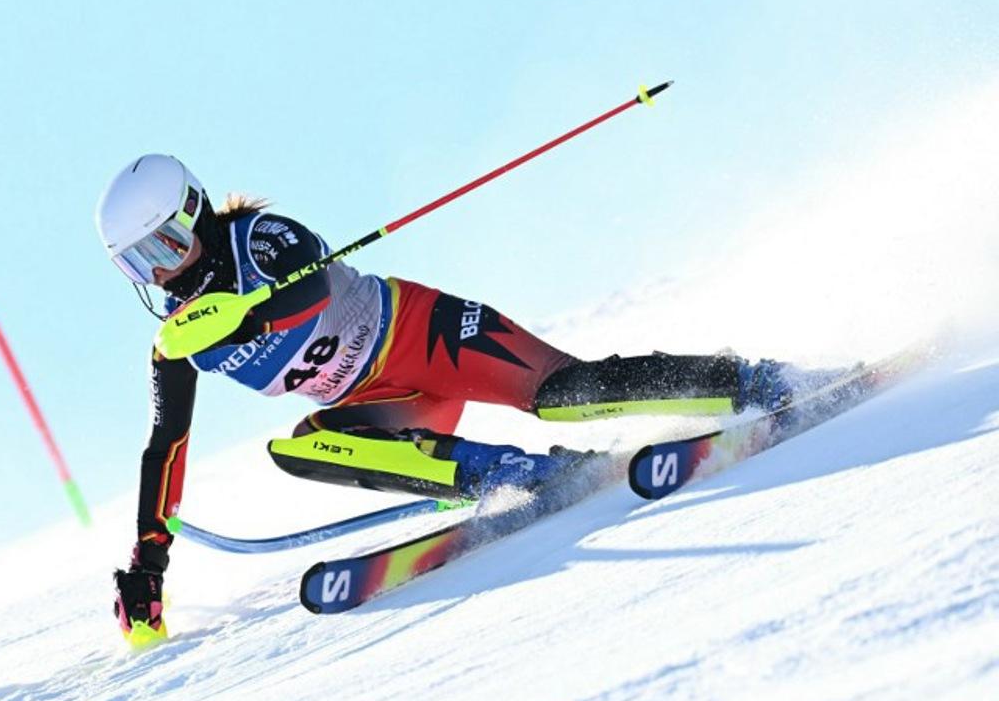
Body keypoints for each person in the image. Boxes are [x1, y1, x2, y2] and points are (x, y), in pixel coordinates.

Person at [96, 154, 803, 649]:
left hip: (424, 335)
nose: (162, 270)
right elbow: (167, 445)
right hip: (383, 402)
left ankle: (750, 381)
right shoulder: (177, 340)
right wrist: (148, 562)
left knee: (564, 394)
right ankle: (516, 473)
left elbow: (309, 289)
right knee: (299, 447)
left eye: (165, 243)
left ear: (193, 211)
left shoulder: (259, 238)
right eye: (140, 263)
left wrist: (246, 319)